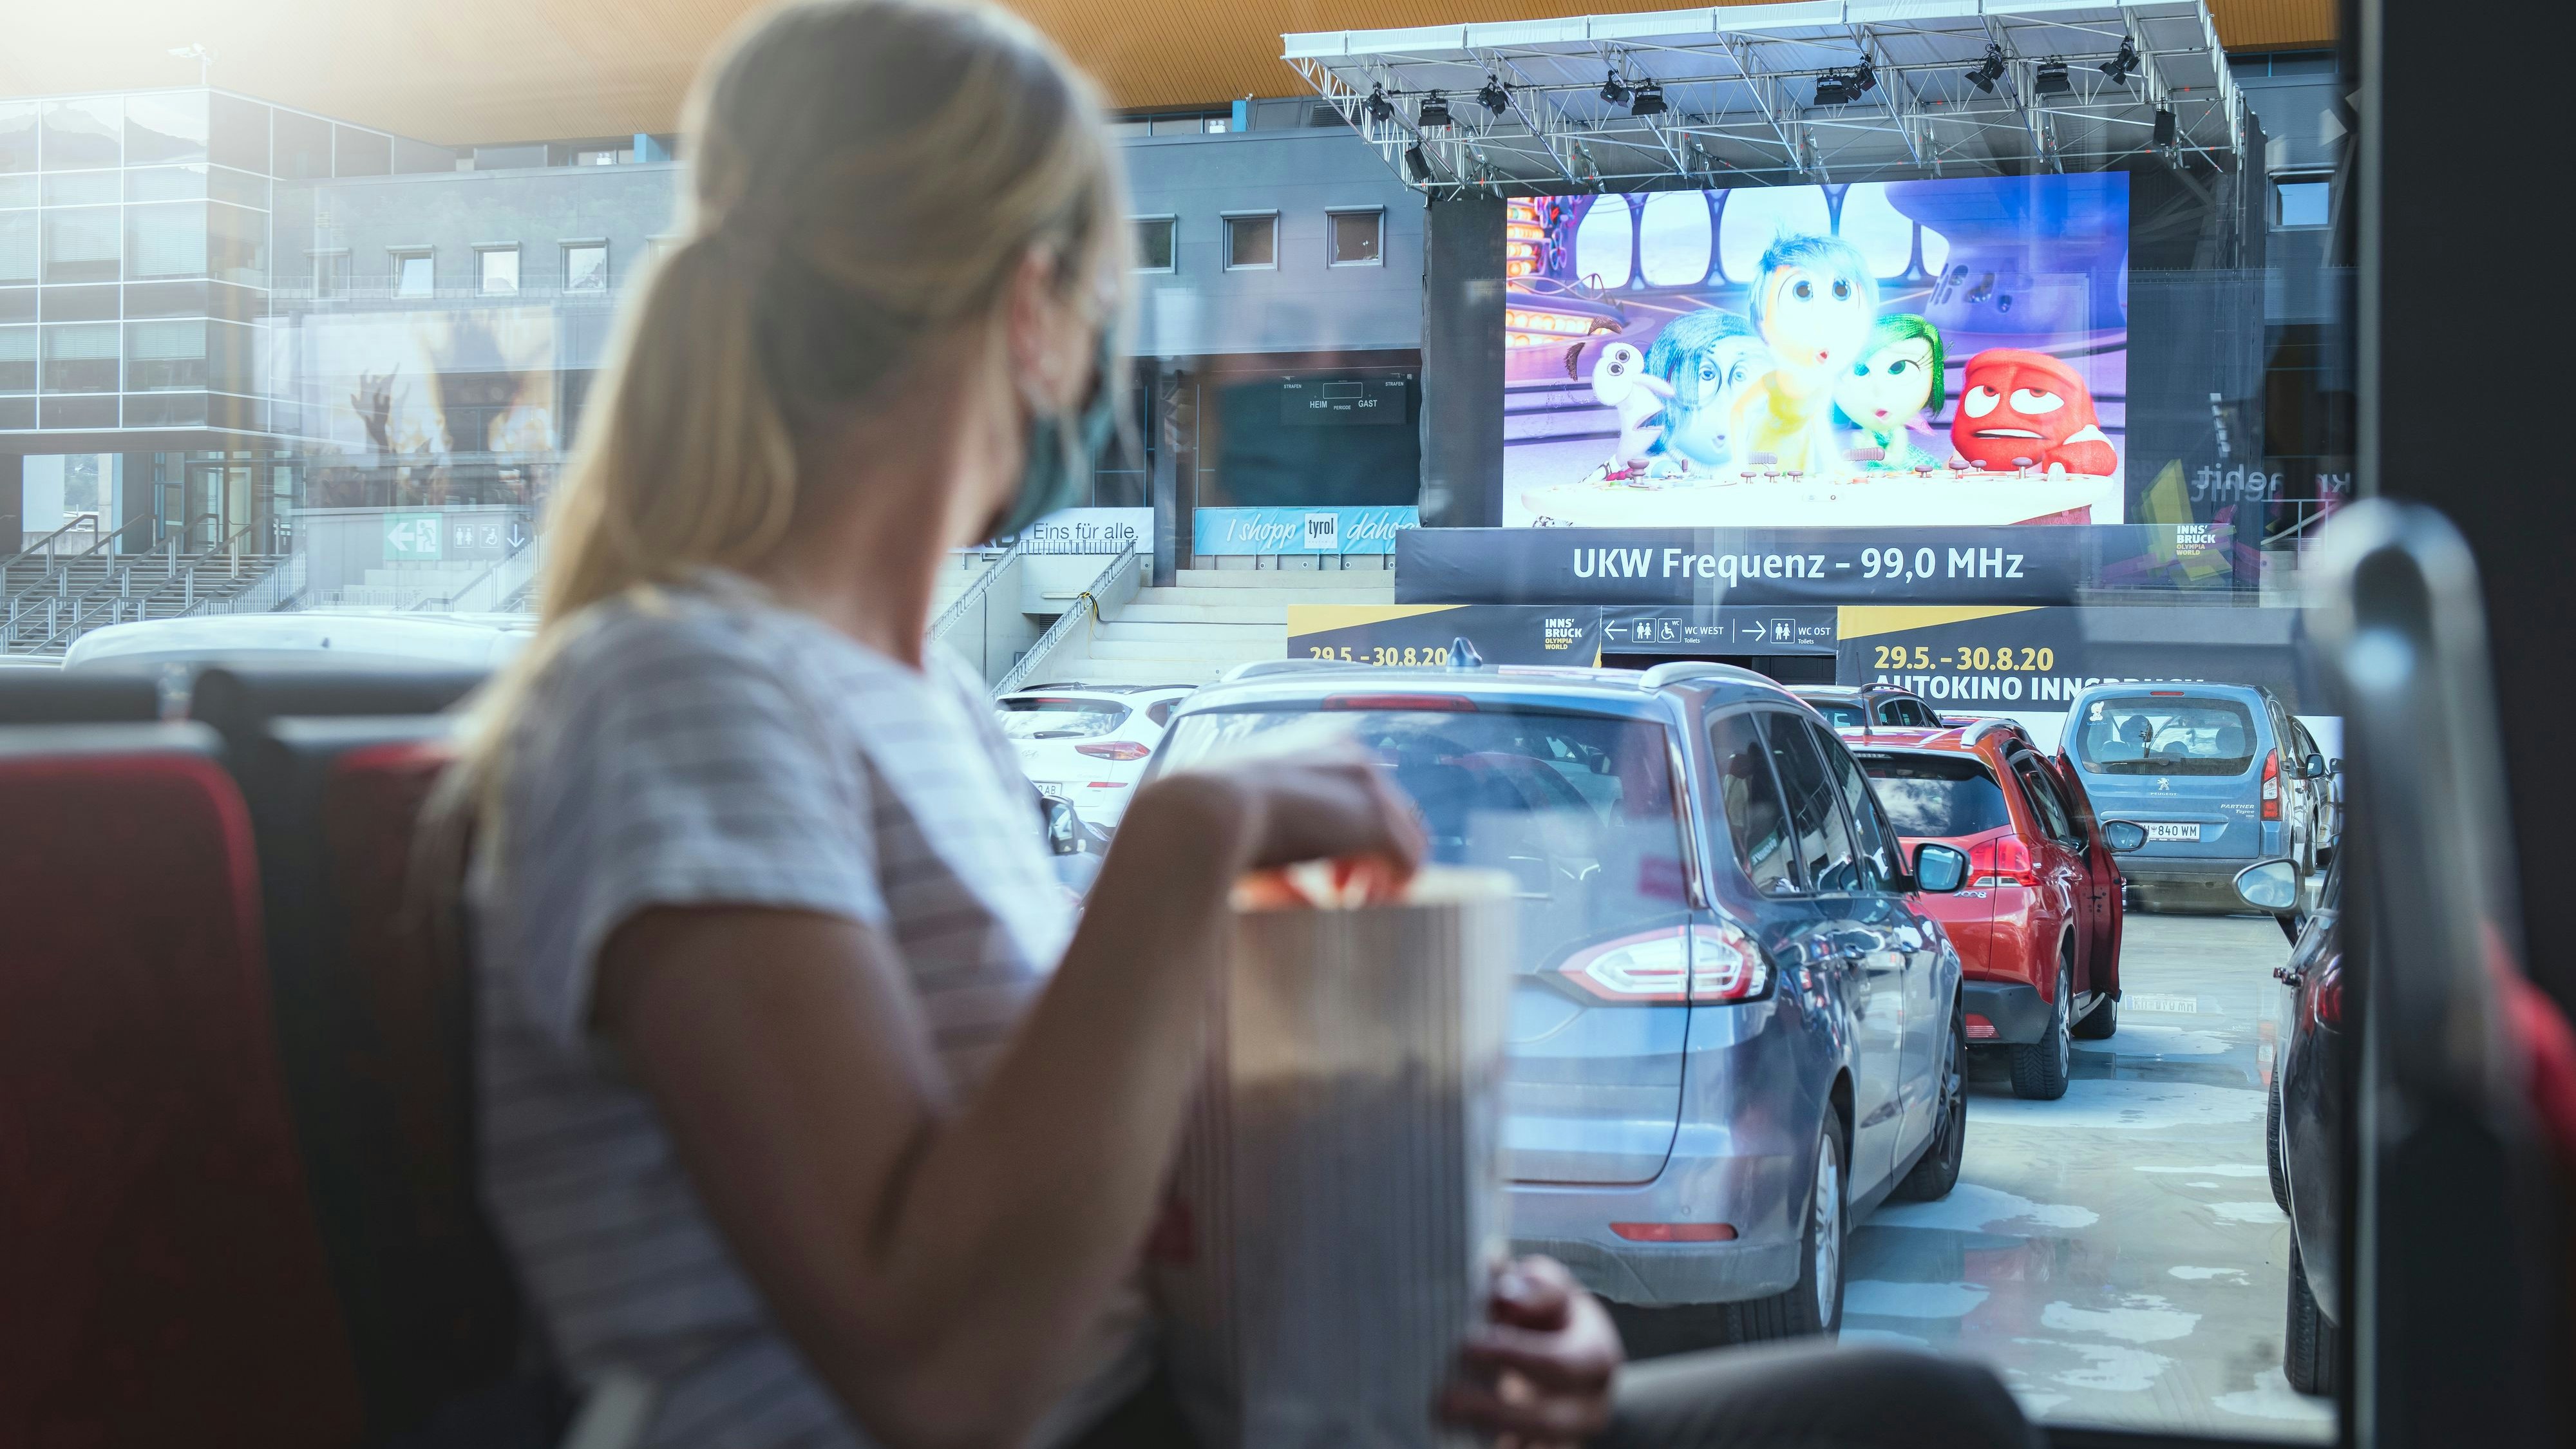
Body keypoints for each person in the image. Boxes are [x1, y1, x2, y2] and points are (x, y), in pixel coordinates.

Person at [447, 2, 2039, 1446]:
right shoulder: (682, 695)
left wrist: (1442, 1298)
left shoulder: (916, 696)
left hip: (1212, 1399)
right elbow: (939, 1375)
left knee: (1914, 1410)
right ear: (1034, 312)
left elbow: (1070, 1180)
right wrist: (1187, 846)